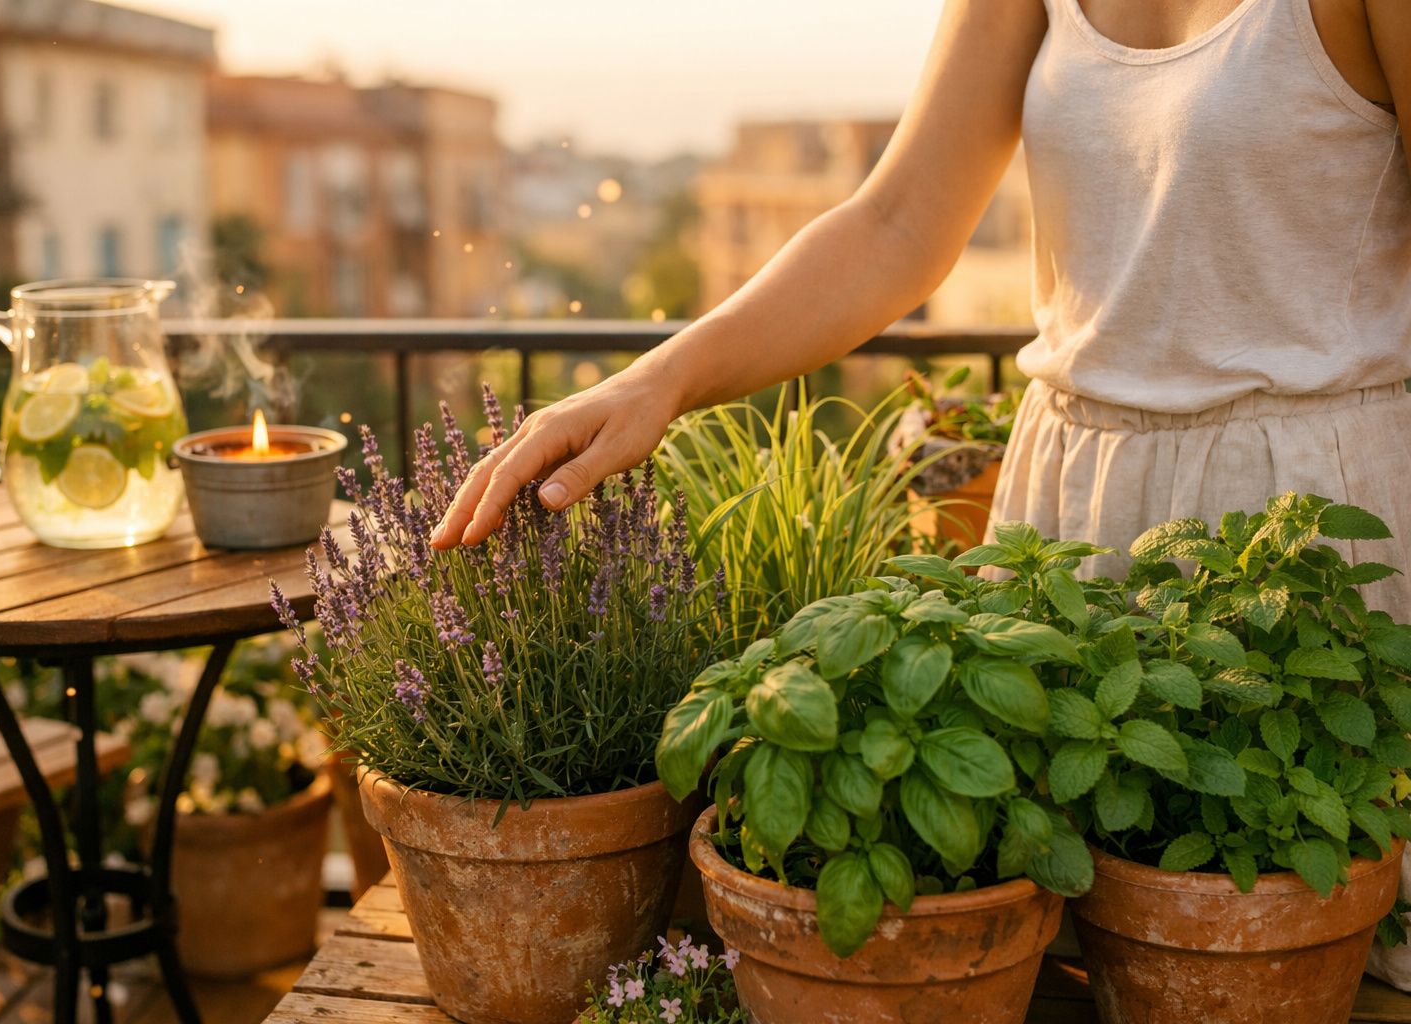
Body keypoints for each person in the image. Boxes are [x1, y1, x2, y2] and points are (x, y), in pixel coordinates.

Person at [435, 0, 1409, 973]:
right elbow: (899, 222)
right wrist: (655, 382)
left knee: (1303, 949)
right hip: (1065, 525)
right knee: (1049, 959)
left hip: (1299, 537)